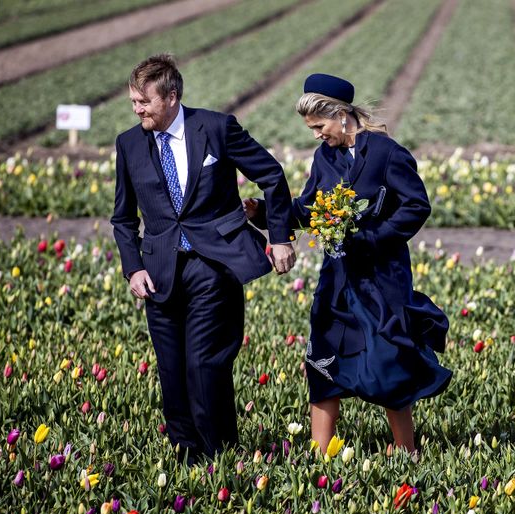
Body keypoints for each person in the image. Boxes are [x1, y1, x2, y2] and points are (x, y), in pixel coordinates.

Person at [245, 73, 451, 455]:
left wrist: (373, 237)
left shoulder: (387, 153)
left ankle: (406, 450)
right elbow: (309, 209)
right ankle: (320, 455)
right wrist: (264, 213)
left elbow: (416, 206)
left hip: (381, 278)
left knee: (388, 355)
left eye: (319, 126)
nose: (316, 135)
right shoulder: (326, 157)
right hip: (337, 277)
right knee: (323, 355)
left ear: (341, 115)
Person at [111, 54, 296, 464]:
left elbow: (272, 174)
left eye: (145, 102)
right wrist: (133, 267)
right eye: (133, 103)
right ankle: (186, 461)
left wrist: (279, 236)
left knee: (203, 365)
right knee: (172, 372)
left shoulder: (215, 128)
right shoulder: (129, 144)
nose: (137, 109)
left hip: (213, 265)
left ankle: (221, 459)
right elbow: (123, 218)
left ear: (172, 97)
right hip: (159, 272)